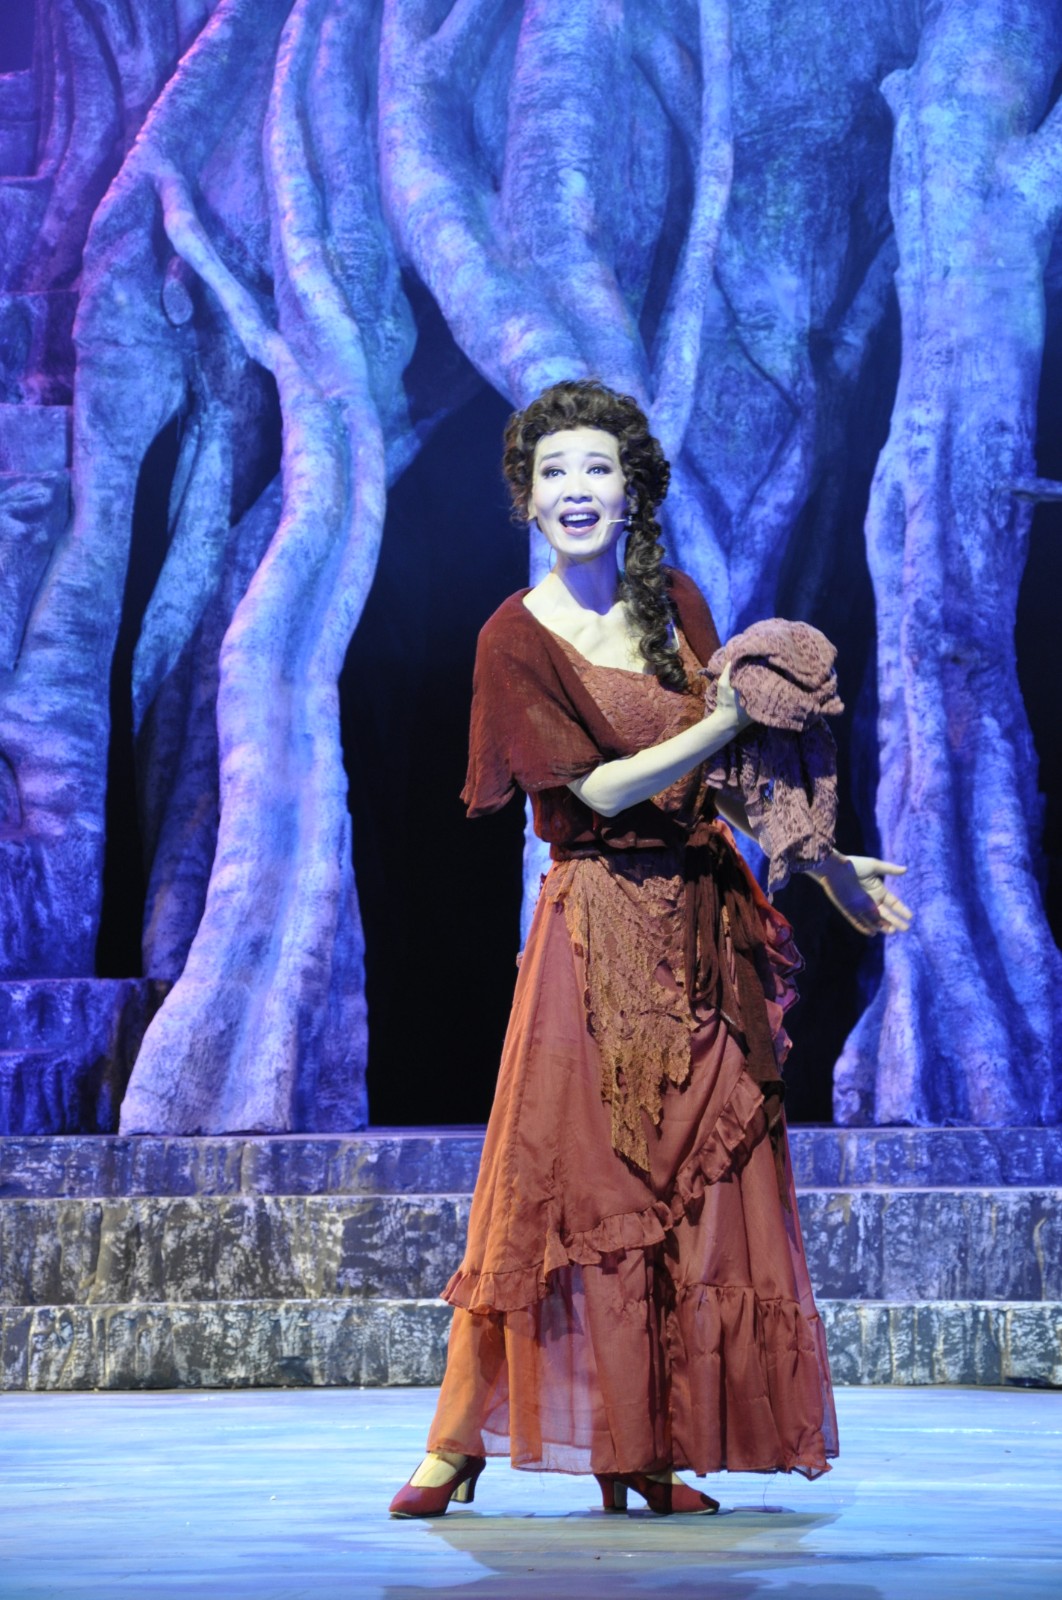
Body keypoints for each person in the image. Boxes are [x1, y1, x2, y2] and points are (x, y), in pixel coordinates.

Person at [389, 379, 912, 1518]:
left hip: (703, 924)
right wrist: (727, 712)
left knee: (693, 1188)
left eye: (599, 468)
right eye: (554, 471)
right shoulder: (513, 637)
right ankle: (457, 1439)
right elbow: (600, 788)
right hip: (597, 929)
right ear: (527, 498)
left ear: (633, 492)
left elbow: (727, 780)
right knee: (559, 1183)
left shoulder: (675, 603)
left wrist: (825, 863)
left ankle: (642, 1447)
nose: (576, 489)